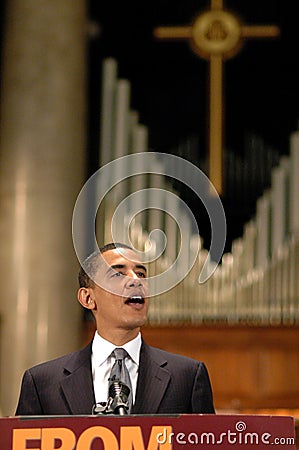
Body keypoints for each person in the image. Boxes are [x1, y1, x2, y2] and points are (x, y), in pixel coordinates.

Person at [16, 242, 215, 415]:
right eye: (118, 274)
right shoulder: (42, 383)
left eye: (141, 273)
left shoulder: (187, 376)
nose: (136, 280)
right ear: (88, 298)